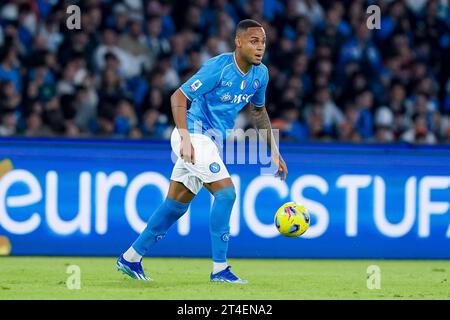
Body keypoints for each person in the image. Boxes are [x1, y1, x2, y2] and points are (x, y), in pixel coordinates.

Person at [116, 19, 288, 283]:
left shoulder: (260, 74)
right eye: (254, 41)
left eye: (263, 42)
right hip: (194, 135)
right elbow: (178, 97)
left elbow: (258, 111)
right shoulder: (218, 68)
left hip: (210, 142)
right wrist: (184, 137)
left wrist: (274, 152)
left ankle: (131, 258)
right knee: (227, 194)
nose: (260, 47)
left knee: (175, 206)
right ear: (238, 42)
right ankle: (220, 269)